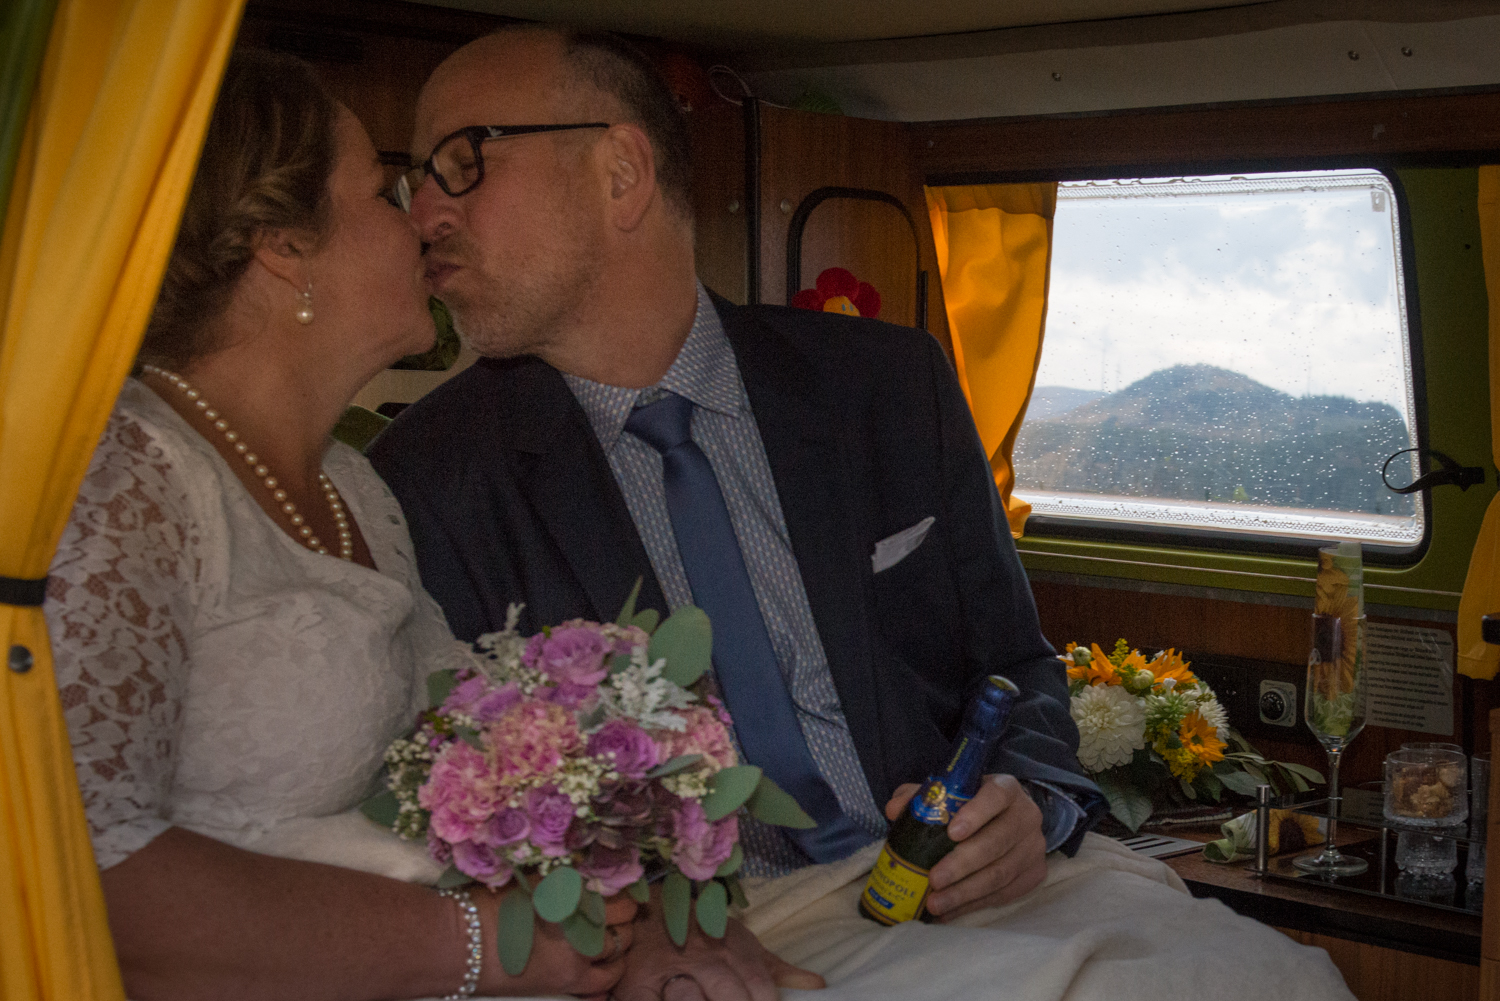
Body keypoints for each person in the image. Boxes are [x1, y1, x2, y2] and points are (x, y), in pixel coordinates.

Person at [366, 26, 1351, 1001]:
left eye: (463, 163)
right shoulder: (432, 477)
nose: (423, 214)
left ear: (620, 172)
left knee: (1284, 977)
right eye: (414, 181)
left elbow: (1016, 664)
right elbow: (466, 797)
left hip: (958, 883)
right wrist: (634, 917)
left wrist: (1033, 803)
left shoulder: (887, 385)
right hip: (714, 926)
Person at [44, 49, 635, 1001]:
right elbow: (85, 878)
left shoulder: (356, 486)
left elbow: (457, 744)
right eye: (382, 192)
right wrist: (482, 946)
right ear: (284, 244)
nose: (423, 220)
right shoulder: (123, 482)